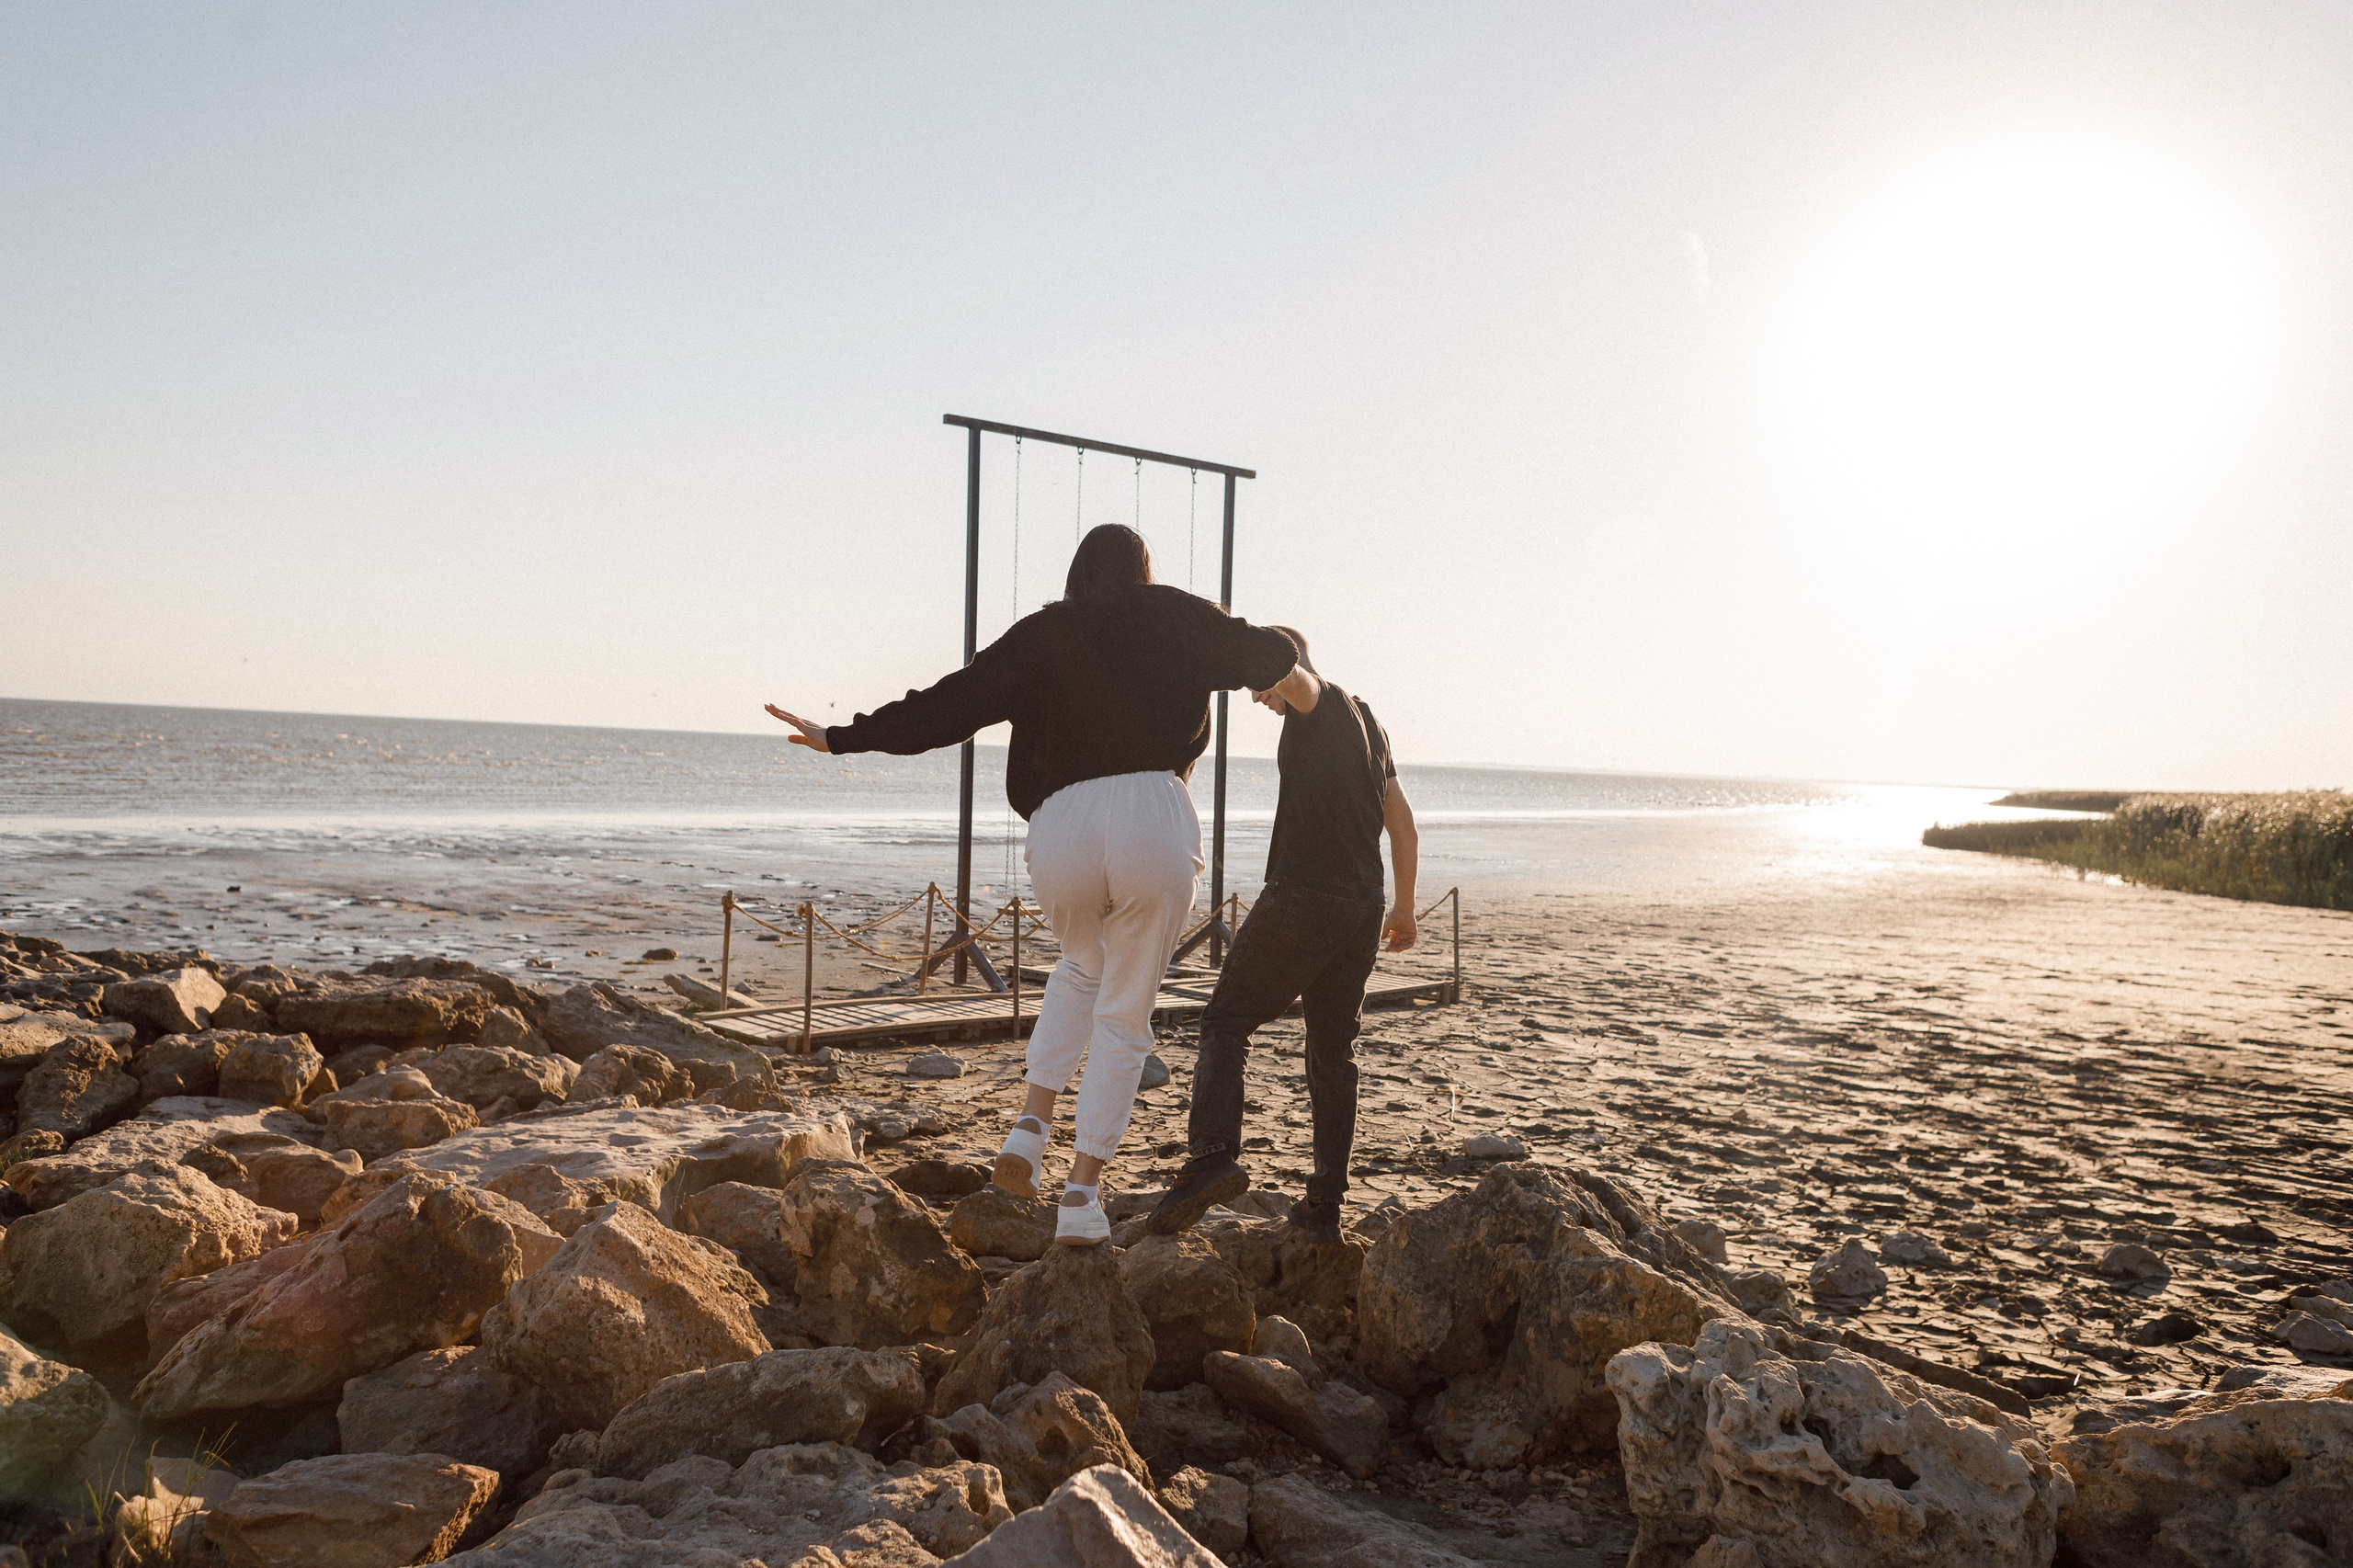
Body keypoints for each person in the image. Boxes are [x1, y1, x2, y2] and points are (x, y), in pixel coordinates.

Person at [766, 524, 1311, 1246]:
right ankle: (1081, 1196)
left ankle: (1029, 1128)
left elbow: (945, 708)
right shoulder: (1174, 614)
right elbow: (1272, 655)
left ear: (1077, 574)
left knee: (1082, 966)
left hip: (1063, 825)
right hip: (1153, 813)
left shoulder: (1044, 632)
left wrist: (840, 736)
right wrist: (1248, 649)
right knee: (1124, 1013)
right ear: (1143, 573)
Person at [1147, 626, 1417, 1244]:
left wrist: (1247, 658)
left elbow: (1293, 677)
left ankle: (1213, 1157)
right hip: (1360, 905)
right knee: (1332, 1053)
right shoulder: (1371, 723)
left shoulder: (1320, 702)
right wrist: (1403, 908)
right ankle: (1324, 1208)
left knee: (1224, 1021)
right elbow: (1402, 823)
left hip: (1305, 895)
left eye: (1257, 684)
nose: (1255, 697)